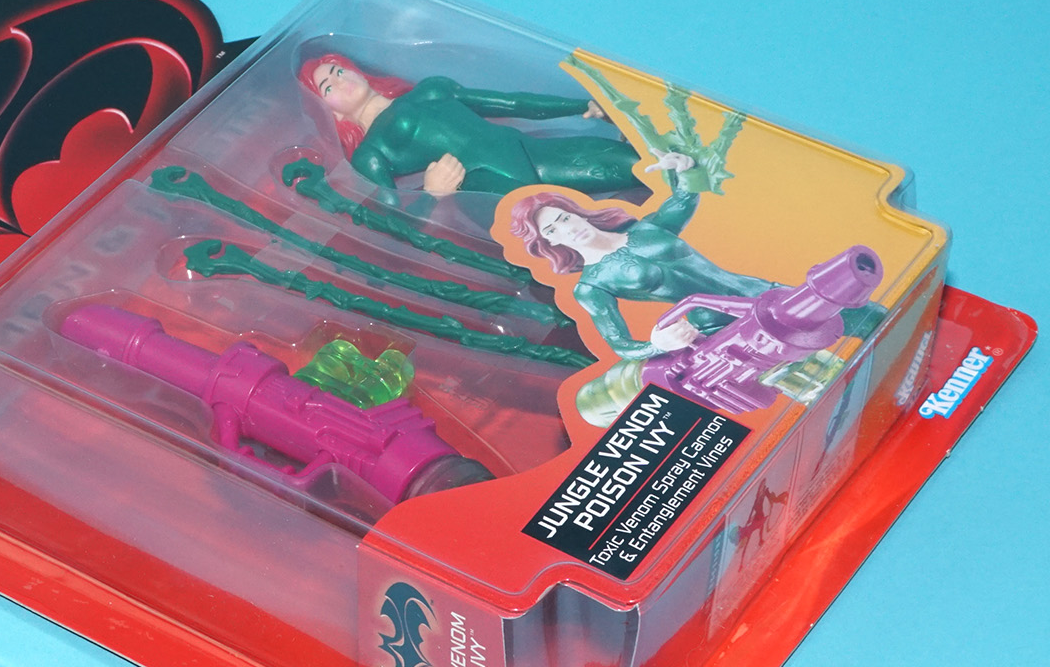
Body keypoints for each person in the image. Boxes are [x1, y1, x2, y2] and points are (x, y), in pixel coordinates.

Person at [505, 157, 884, 422]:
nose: (567, 229)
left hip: (762, 293)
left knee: (868, 316)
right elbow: (620, 345)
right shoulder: (592, 285)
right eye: (552, 230)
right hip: (725, 329)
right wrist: (658, 344)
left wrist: (684, 168)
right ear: (548, 242)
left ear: (574, 211)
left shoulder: (646, 229)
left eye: (563, 218)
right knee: (822, 381)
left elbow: (686, 197)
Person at [299, 53, 642, 204]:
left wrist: (584, 106)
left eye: (338, 71)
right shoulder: (370, 153)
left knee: (634, 164)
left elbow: (510, 103)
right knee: (558, 234)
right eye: (328, 87)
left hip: (527, 150)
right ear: (330, 112)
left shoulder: (431, 89)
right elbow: (395, 221)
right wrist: (432, 193)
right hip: (486, 184)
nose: (340, 81)